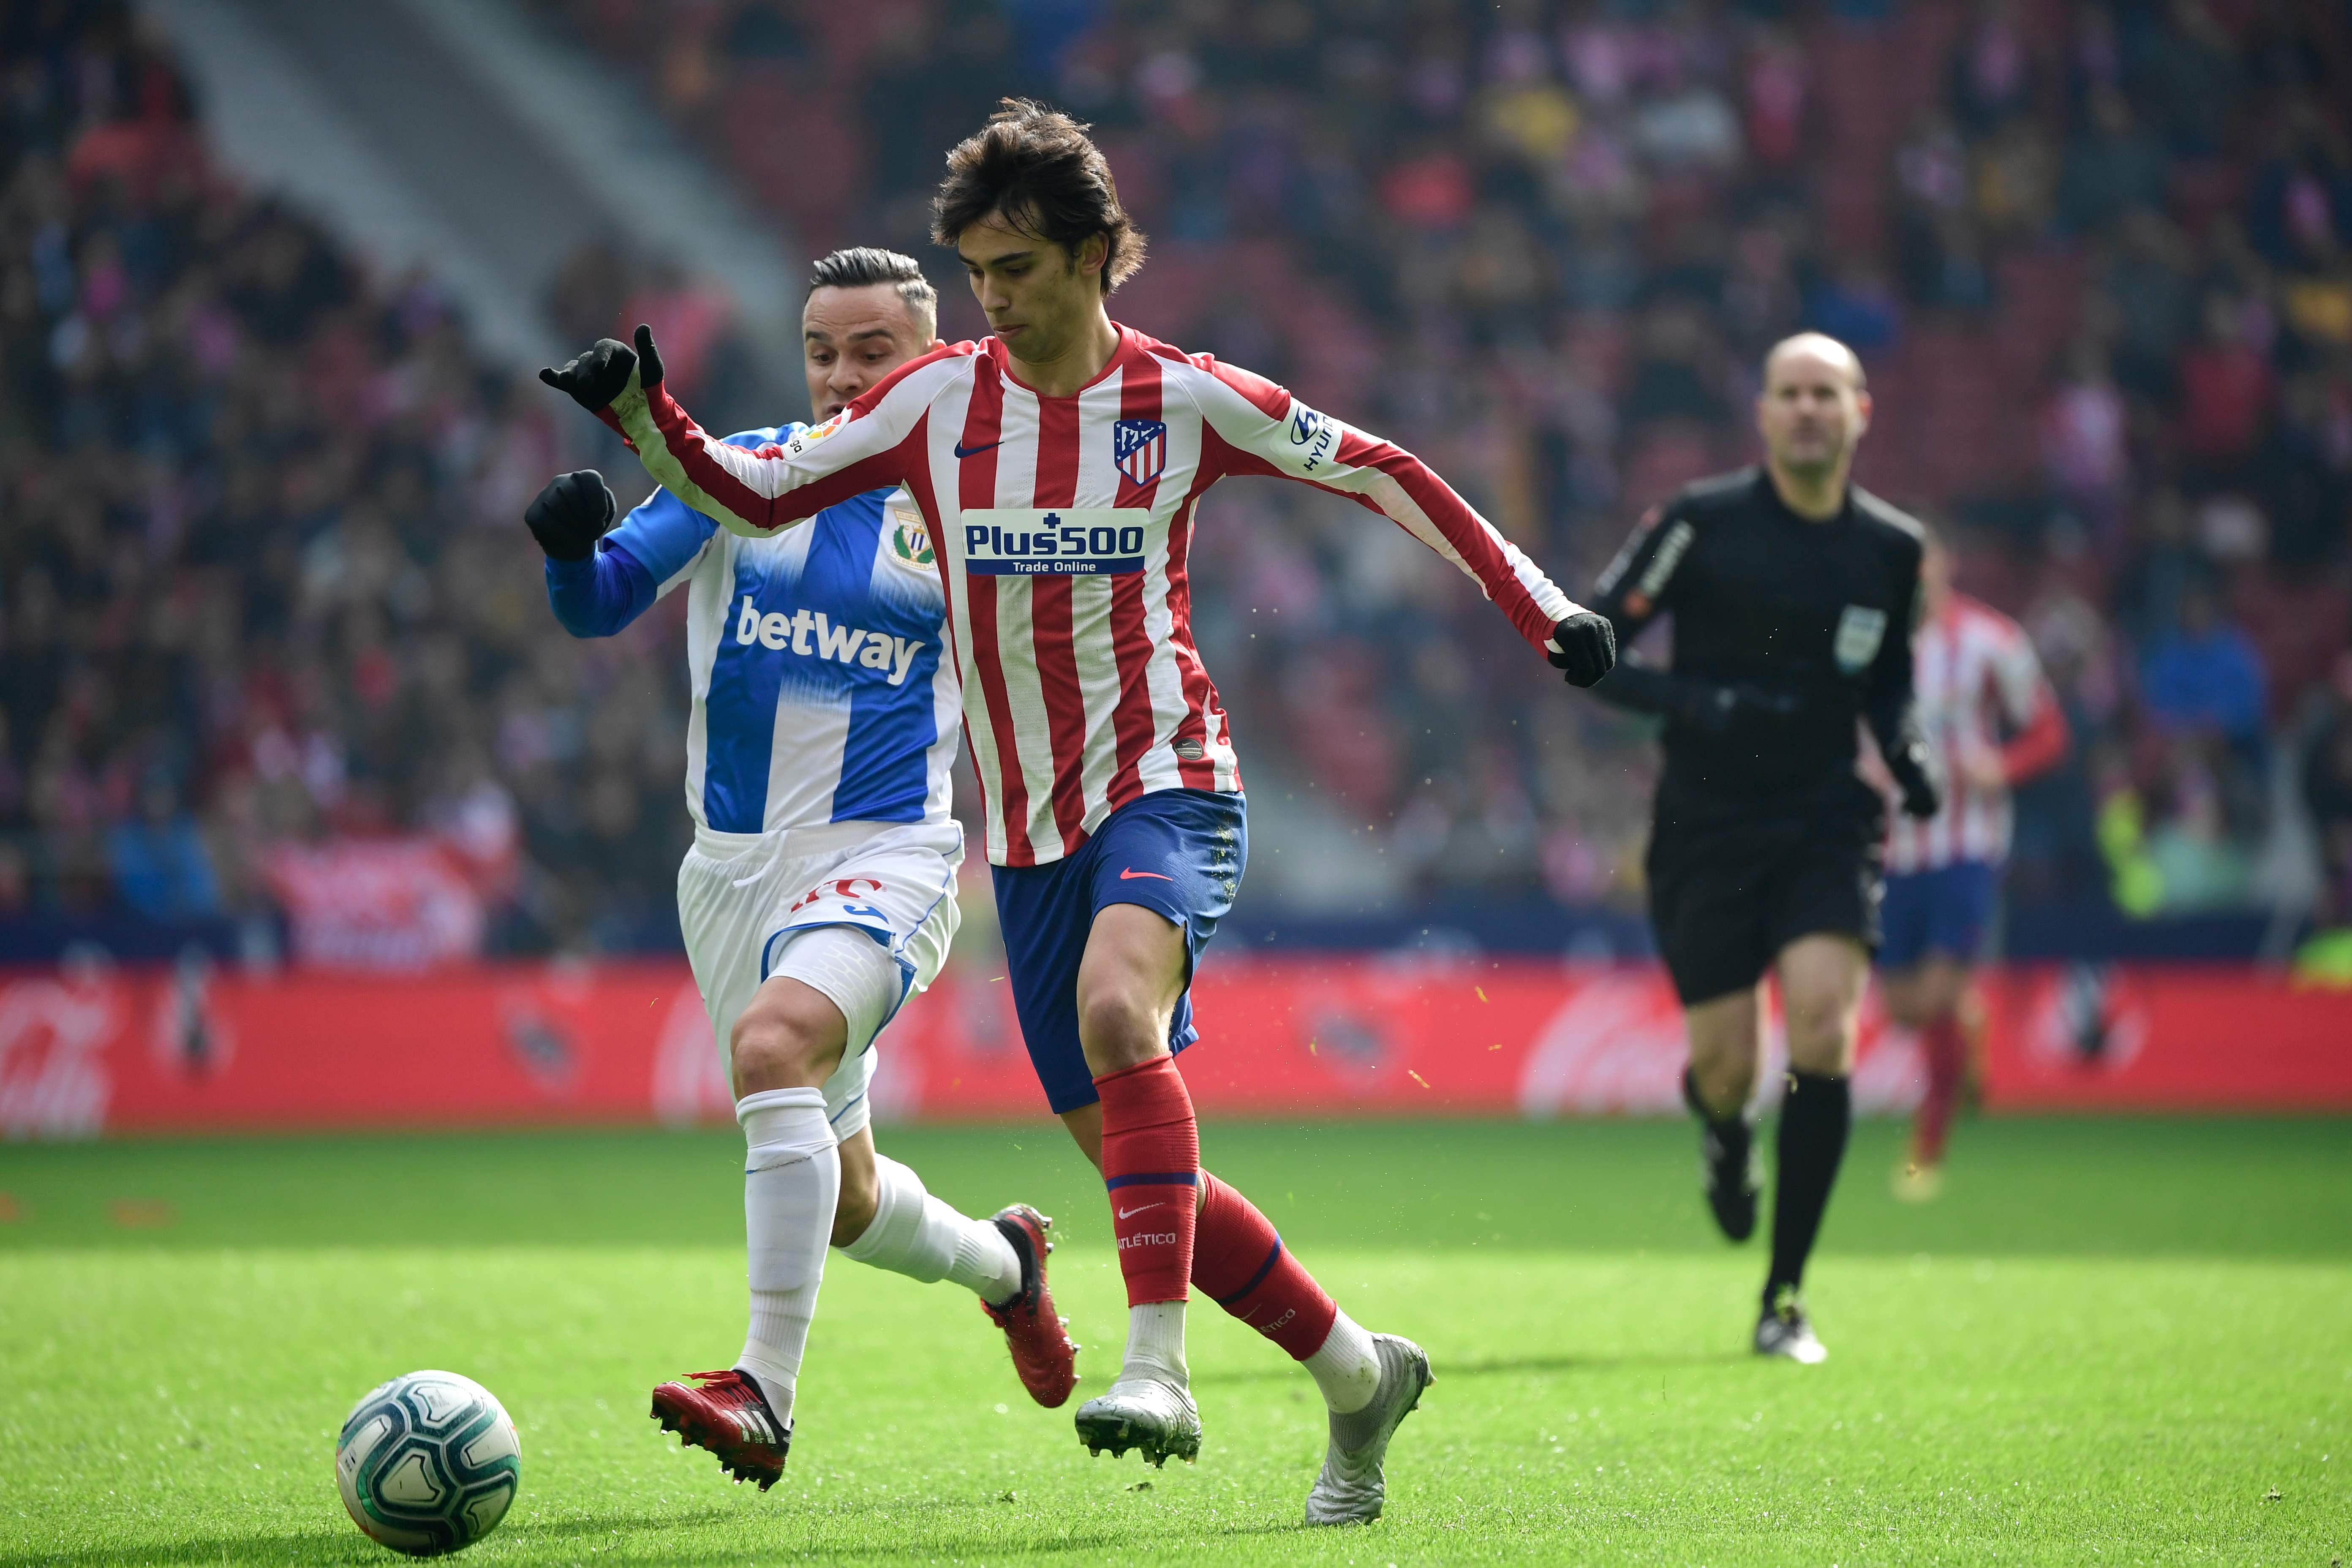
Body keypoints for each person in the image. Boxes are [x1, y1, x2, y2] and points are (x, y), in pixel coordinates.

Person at [539, 99, 1617, 1523]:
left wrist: (1541, 610)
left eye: (1021, 270)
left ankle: (1155, 1366)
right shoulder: (934, 406)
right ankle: (1361, 1376)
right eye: (978, 273)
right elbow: (743, 486)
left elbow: (1379, 470)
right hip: (1032, 835)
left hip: (1167, 776)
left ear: (1100, 254)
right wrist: (641, 414)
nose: (997, 300)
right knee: (1135, 1163)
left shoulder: (1181, 401)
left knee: (1121, 1018)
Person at [522, 247, 1077, 1492]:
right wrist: (571, 551)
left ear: (930, 361)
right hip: (730, 877)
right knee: (843, 1198)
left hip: (887, 856)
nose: (840, 377)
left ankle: (762, 1392)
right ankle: (1009, 1266)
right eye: (823, 351)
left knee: (775, 1048)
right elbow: (602, 603)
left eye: (872, 352)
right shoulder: (740, 472)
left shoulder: (972, 512)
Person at [1584, 332, 1940, 1365]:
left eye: (1826, 394)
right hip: (1707, 823)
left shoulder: (1892, 547)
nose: (1807, 410)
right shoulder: (1699, 524)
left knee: (1825, 1032)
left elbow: (1891, 681)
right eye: (1789, 392)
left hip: (1828, 814)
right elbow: (1592, 644)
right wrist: (1701, 703)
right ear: (1764, 413)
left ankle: (1785, 1297)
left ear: (1861, 410)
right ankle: (1726, 1133)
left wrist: (1907, 748)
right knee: (1729, 1065)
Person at [1879, 525, 2068, 1201]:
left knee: (1931, 996)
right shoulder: (1870, 644)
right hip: (1896, 847)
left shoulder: (1992, 641)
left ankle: (1927, 1150)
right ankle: (1970, 1015)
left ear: (1945, 563)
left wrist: (2003, 766)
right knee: (1902, 1009)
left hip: (1966, 844)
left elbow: (2048, 729)